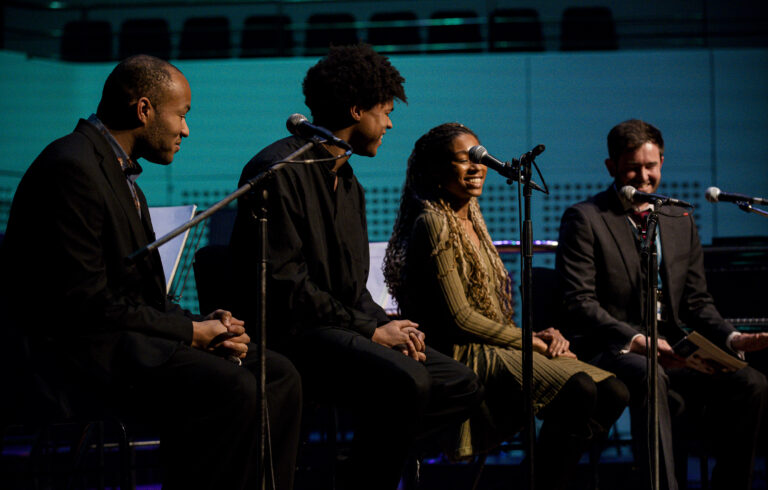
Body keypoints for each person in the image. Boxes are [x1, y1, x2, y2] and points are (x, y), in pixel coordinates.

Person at [0, 55, 302, 490]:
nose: (186, 130)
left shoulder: (119, 173)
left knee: (278, 373)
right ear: (143, 109)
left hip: (120, 340)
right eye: (181, 115)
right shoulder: (73, 167)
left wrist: (202, 324)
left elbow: (137, 296)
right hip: (73, 359)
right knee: (232, 389)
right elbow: (85, 303)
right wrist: (188, 335)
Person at [229, 45, 483, 490]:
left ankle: (359, 473)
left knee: (459, 382)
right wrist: (370, 331)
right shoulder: (278, 170)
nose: (388, 124)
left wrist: (386, 323)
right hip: (295, 335)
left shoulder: (349, 183)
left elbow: (351, 286)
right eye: (383, 112)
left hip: (338, 328)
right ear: (355, 110)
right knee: (408, 383)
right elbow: (286, 285)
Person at [383, 123, 629, 490]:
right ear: (435, 170)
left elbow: (492, 310)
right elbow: (461, 319)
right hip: (463, 353)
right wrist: (528, 341)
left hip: (495, 345)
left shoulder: (472, 216)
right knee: (580, 389)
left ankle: (534, 478)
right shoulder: (432, 222)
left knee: (615, 392)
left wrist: (537, 333)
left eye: (479, 158)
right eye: (463, 160)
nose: (476, 167)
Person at [555, 118, 768, 490]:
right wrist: (639, 341)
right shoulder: (585, 218)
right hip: (614, 348)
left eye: (650, 166)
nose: (642, 176)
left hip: (673, 347)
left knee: (751, 382)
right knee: (653, 377)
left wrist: (732, 339)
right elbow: (580, 303)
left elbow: (698, 301)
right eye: (632, 167)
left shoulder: (678, 216)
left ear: (662, 163)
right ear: (611, 167)